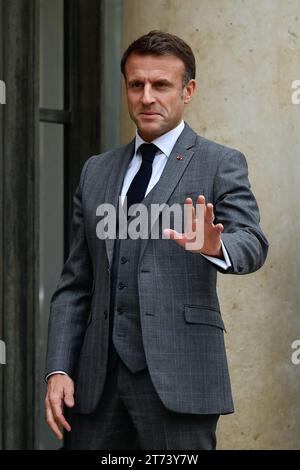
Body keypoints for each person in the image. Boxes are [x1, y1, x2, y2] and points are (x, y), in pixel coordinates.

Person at [44, 30, 268, 450]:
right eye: (136, 84)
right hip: (95, 388)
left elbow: (252, 242)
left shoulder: (220, 163)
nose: (147, 97)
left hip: (180, 380)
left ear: (188, 91)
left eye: (161, 85)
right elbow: (75, 285)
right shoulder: (97, 171)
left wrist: (215, 246)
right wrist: (58, 369)